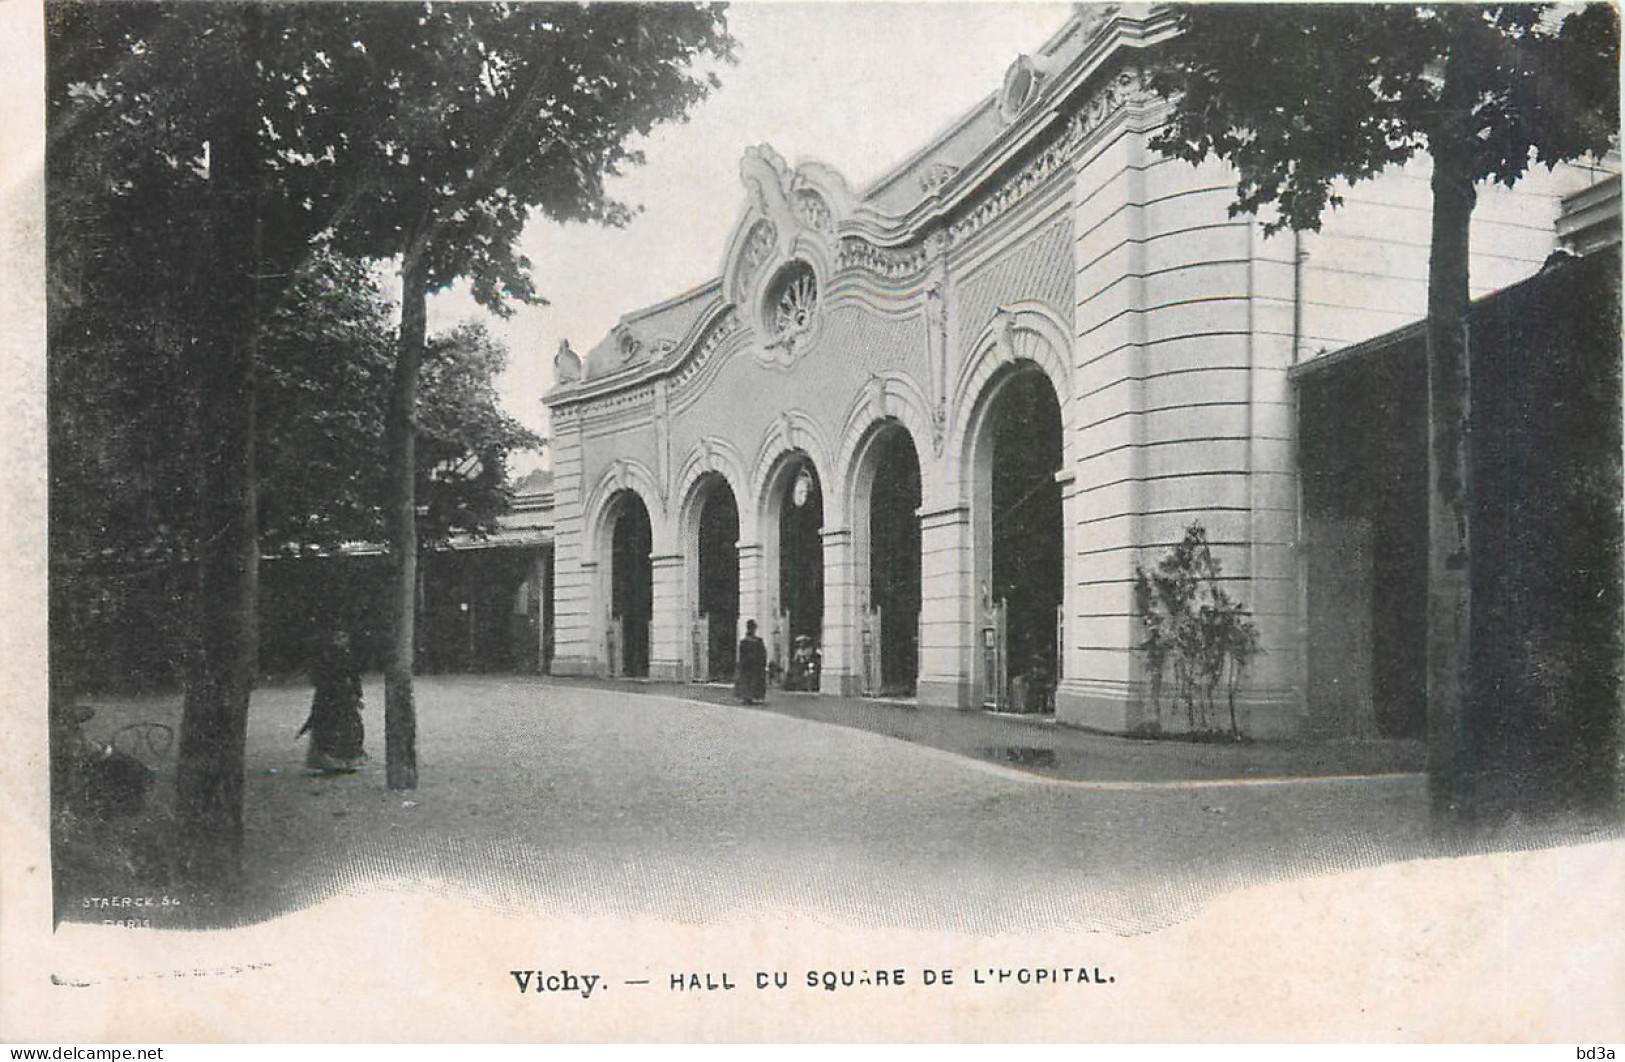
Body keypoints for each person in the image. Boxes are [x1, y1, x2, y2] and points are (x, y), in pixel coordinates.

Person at [299, 628, 366, 772]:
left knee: (350, 727)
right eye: (338, 637)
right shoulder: (326, 657)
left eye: (344, 636)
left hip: (345, 699)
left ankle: (348, 758)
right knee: (329, 727)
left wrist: (356, 694)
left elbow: (354, 677)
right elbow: (322, 679)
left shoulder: (348, 655)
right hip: (330, 699)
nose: (341, 640)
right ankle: (330, 759)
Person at [734, 619, 767, 705]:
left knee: (748, 680)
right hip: (753, 664)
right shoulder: (757, 641)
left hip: (748, 664)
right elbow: (763, 654)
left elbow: (742, 655)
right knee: (751, 680)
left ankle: (748, 697)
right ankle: (749, 697)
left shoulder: (745, 641)